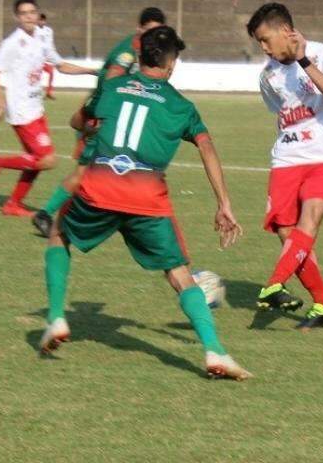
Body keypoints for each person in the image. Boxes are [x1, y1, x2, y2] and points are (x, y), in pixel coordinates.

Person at [39, 25, 250, 380]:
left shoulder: (111, 87)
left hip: (100, 187)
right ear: (172, 64)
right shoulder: (181, 106)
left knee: (59, 233)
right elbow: (207, 147)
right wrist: (224, 203)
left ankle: (57, 317)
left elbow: (78, 121)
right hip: (147, 198)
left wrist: (92, 127)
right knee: (180, 274)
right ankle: (216, 351)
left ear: (140, 57)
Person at [247, 3, 323, 329]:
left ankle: (274, 284)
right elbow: (288, 114)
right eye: (259, 43)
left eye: (265, 40)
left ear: (284, 31)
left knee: (310, 218)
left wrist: (304, 59)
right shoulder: (268, 75)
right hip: (287, 159)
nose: (263, 48)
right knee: (285, 231)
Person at [32, 7, 166, 237]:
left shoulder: (145, 51)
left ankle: (54, 215)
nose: (154, 36)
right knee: (89, 172)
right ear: (139, 29)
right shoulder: (127, 53)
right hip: (101, 118)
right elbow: (112, 81)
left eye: (159, 31)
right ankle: (47, 214)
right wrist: (103, 118)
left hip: (112, 119)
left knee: (103, 171)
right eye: (149, 31)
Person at [0, 0, 97, 217]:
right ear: (17, 17)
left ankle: (13, 204)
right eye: (24, 14)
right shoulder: (12, 44)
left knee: (36, 161)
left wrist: (91, 71)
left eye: (32, 12)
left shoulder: (43, 37)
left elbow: (61, 65)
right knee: (47, 160)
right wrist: (0, 104)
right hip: (22, 112)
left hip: (37, 108)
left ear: (37, 14)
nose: (29, 17)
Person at [37, 13, 56, 99]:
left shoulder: (49, 30)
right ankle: (37, 93)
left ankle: (49, 92)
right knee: (37, 76)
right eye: (40, 20)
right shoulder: (34, 30)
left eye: (43, 20)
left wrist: (53, 52)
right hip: (37, 57)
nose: (42, 22)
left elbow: (50, 43)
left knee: (51, 73)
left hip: (47, 57)